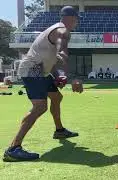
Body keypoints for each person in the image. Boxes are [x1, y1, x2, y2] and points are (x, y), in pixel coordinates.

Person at [3, 6, 83, 162]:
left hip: (41, 70)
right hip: (32, 70)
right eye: (76, 19)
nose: (77, 22)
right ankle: (13, 148)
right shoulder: (62, 31)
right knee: (40, 107)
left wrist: (58, 75)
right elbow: (62, 55)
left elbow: (51, 60)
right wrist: (73, 77)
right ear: (71, 18)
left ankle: (59, 130)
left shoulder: (56, 29)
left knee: (56, 97)